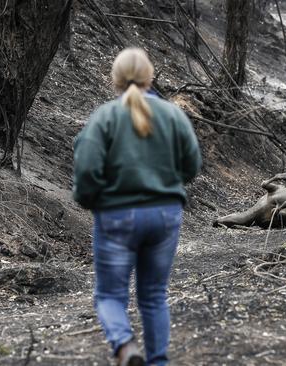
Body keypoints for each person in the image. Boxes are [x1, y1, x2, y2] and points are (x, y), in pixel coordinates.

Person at [72, 48, 202, 366]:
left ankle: (125, 346)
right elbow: (193, 165)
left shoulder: (104, 117)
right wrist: (169, 183)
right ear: (150, 77)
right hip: (164, 215)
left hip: (116, 216)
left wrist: (92, 201)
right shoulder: (173, 115)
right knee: (154, 295)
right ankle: (158, 361)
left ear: (114, 79)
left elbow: (86, 169)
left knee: (110, 296)